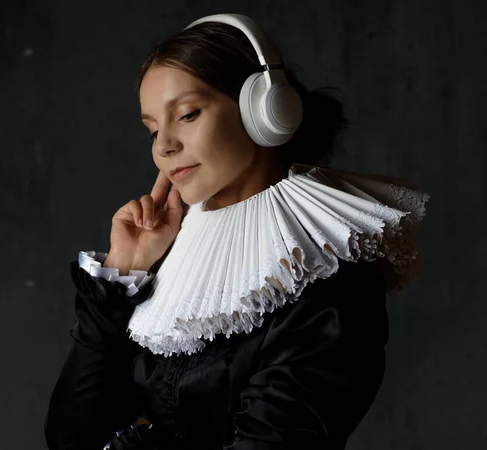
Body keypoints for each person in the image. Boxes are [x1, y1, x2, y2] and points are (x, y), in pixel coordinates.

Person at [44, 14, 429, 450]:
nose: (163, 146)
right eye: (152, 128)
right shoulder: (169, 253)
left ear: (263, 111)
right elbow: (69, 438)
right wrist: (121, 272)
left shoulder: (326, 278)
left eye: (186, 115)